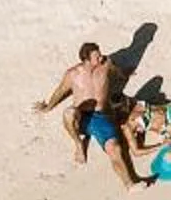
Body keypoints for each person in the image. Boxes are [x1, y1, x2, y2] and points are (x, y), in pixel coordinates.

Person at [30, 42, 130, 172]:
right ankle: (79, 144)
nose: (101, 58)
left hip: (100, 115)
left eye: (100, 55)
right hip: (81, 116)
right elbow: (60, 91)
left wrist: (124, 75)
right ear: (86, 60)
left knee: (116, 148)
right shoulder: (73, 74)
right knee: (69, 113)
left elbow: (115, 70)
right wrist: (48, 106)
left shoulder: (105, 64)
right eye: (97, 57)